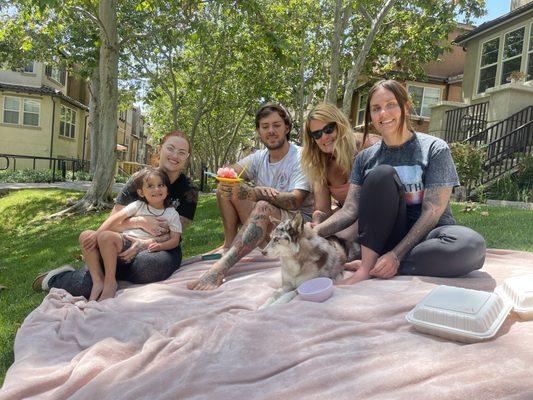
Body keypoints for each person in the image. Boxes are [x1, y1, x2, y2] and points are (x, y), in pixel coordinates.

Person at [313, 80, 486, 285]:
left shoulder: (435, 149)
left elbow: (432, 212)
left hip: (429, 236)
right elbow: (350, 210)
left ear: (406, 106)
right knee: (381, 175)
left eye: (391, 105)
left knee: (471, 246)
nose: (383, 114)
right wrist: (314, 232)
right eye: (376, 108)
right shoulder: (365, 158)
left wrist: (396, 255)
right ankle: (371, 266)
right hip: (387, 237)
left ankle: (381, 265)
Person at [32, 131, 198, 298]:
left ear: (187, 157)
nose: (175, 155)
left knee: (150, 267)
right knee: (86, 286)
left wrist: (143, 244)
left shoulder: (189, 190)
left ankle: (106, 273)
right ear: (160, 149)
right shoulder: (138, 180)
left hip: (160, 249)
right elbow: (114, 222)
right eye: (171, 148)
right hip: (123, 242)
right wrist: (140, 221)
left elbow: (172, 234)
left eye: (181, 152)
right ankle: (57, 278)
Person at [187, 102, 313, 291]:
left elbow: (295, 200)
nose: (271, 131)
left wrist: (258, 193)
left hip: (296, 229)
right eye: (265, 127)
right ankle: (229, 245)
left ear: (286, 128)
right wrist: (232, 179)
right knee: (226, 185)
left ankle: (220, 269)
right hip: (267, 225)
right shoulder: (258, 157)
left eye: (276, 125)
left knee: (262, 204)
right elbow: (228, 173)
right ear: (258, 131)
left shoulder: (301, 156)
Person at [82, 167, 182, 301]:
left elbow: (175, 240)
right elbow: (115, 218)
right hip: (125, 240)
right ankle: (99, 281)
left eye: (161, 185)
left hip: (144, 248)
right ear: (141, 192)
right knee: (86, 235)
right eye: (150, 186)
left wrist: (159, 246)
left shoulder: (171, 214)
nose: (156, 189)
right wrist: (97, 233)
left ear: (167, 189)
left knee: (105, 236)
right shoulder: (138, 205)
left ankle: (110, 282)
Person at [300, 102, 380, 259]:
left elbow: (376, 204)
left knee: (326, 243)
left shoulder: (369, 146)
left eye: (328, 129)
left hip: (375, 216)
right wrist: (317, 222)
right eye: (316, 134)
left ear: (340, 125)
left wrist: (322, 231)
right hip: (346, 219)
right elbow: (323, 210)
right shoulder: (320, 162)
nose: (324, 137)